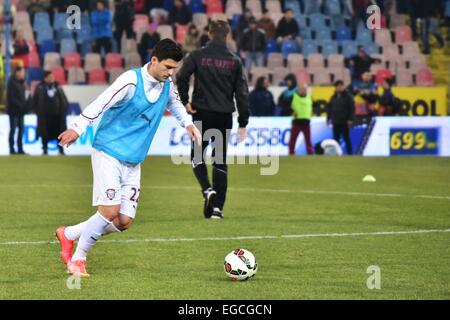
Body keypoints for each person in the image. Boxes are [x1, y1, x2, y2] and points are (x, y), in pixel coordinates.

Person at [55, 39, 201, 277]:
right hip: (109, 152)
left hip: (133, 160)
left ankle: (68, 234)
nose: (171, 72)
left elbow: (175, 104)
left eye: (174, 68)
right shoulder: (131, 81)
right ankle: (77, 260)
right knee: (109, 210)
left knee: (123, 221)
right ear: (153, 60)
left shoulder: (167, 83)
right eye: (167, 67)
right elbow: (101, 103)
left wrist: (187, 124)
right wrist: (78, 127)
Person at [176, 20, 249, 219]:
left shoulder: (197, 55)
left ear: (209, 34)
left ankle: (207, 190)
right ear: (227, 36)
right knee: (220, 161)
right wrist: (243, 122)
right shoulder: (234, 61)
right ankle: (217, 209)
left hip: (202, 113)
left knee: (197, 156)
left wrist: (185, 101)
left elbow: (181, 76)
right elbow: (242, 93)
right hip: (224, 116)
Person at [34, 71, 69, 155]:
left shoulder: (57, 86)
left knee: (59, 133)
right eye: (50, 77)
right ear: (45, 78)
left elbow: (63, 99)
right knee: (44, 133)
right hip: (44, 117)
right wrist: (38, 112)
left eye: (53, 77)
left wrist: (63, 111)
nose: (52, 78)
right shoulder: (40, 87)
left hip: (57, 116)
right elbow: (35, 101)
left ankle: (61, 150)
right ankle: (45, 149)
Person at [327, 80, 355, 155]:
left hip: (344, 121)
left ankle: (350, 153)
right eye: (337, 86)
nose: (339, 88)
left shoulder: (348, 97)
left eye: (340, 86)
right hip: (335, 121)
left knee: (346, 138)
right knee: (335, 139)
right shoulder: (333, 97)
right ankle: (336, 153)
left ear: (343, 87)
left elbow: (352, 108)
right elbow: (329, 109)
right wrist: (328, 119)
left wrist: (350, 119)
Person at [6, 66, 27, 155]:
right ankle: (11, 149)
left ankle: (20, 149)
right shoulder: (11, 82)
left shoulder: (21, 83)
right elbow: (11, 97)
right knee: (13, 129)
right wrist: (20, 105)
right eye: (22, 72)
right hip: (13, 110)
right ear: (17, 73)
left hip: (21, 111)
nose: (23, 74)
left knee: (21, 130)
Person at [288, 83, 314, 155]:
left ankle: (310, 152)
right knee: (293, 139)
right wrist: (291, 112)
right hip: (297, 121)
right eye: (302, 89)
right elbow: (285, 105)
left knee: (308, 139)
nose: (303, 91)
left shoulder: (309, 97)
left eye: (305, 89)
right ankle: (291, 152)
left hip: (306, 121)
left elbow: (313, 106)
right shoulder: (293, 97)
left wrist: (312, 113)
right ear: (298, 90)